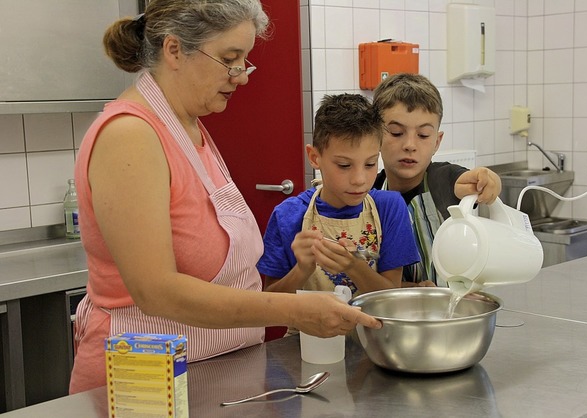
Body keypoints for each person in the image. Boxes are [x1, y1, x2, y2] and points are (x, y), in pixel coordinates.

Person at [69, 0, 380, 394]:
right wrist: (296, 310)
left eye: (244, 60)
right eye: (230, 59)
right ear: (174, 49)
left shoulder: (191, 128)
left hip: (214, 373)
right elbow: (155, 291)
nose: (242, 76)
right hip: (149, 383)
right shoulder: (129, 135)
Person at [258, 94, 420, 296]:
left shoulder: (389, 207)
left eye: (370, 164)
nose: (360, 179)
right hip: (306, 329)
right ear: (315, 157)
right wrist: (301, 270)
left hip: (373, 328)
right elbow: (271, 302)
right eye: (344, 165)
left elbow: (392, 297)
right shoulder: (287, 215)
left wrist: (354, 266)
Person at [372, 73, 502, 287]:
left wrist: (489, 180)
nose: (410, 145)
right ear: (375, 135)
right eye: (396, 133)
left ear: (437, 142)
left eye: (423, 135)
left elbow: (471, 180)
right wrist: (411, 289)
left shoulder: (443, 181)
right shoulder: (371, 193)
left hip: (448, 307)